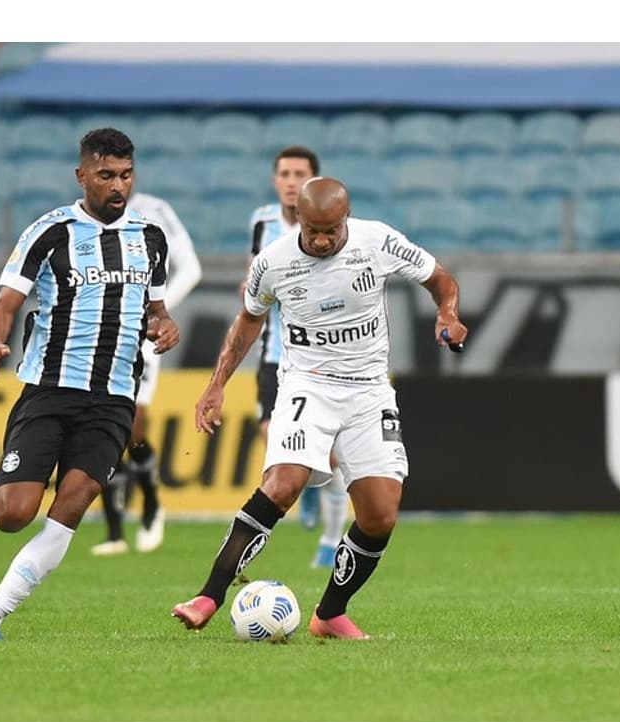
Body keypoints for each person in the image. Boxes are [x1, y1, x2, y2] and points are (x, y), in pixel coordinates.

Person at [173, 176, 466, 640]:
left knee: (380, 515)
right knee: (283, 483)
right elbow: (248, 321)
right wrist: (216, 385)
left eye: (332, 230)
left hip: (370, 392)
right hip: (307, 385)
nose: (324, 240)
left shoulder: (378, 241)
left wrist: (447, 313)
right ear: (299, 221)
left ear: (345, 218)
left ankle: (329, 613)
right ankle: (209, 594)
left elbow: (440, 279)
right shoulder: (273, 263)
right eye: (314, 231)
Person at [0, 127, 180, 641]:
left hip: (113, 399)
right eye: (106, 175)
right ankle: (2, 488)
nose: (117, 186)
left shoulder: (151, 239)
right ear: (82, 176)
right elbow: (3, 308)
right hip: (50, 391)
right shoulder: (50, 233)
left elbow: (156, 310)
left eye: (126, 175)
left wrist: (165, 325)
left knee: (75, 499)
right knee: (14, 516)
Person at [247, 146, 349, 569]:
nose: (291, 180)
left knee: (329, 456)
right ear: (275, 180)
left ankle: (330, 538)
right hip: (275, 356)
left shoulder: (336, 229)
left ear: (313, 182)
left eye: (299, 173)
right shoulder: (263, 222)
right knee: (277, 439)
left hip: (326, 359)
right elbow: (254, 276)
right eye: (284, 173)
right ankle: (307, 488)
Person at [91, 190, 203, 556]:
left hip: (141, 338)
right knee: (102, 428)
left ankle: (153, 506)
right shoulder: (82, 220)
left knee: (134, 428)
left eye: (122, 171)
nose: (115, 182)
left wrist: (159, 309)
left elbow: (191, 268)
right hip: (98, 337)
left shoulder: (154, 211)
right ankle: (113, 532)